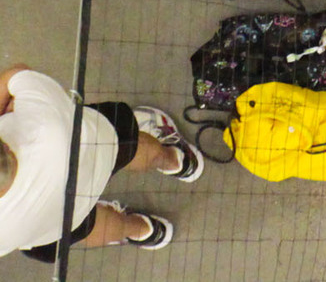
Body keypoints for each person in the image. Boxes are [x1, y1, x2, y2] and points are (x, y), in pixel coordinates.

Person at [0, 66, 200, 258]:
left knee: (84, 227)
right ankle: (177, 162)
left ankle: (146, 231)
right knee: (124, 144)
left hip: (55, 225)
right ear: (6, 147)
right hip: (99, 147)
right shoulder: (46, 122)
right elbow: (16, 75)